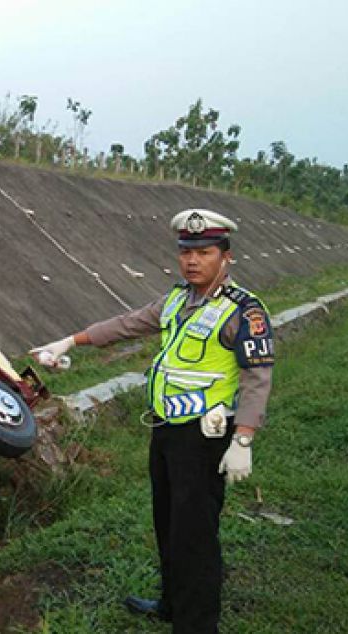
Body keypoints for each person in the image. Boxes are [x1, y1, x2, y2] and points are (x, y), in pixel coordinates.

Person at [31, 209, 274, 634]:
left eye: (203, 252)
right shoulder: (177, 300)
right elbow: (127, 325)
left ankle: (197, 625)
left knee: (195, 534)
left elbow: (257, 378)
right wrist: (71, 340)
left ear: (226, 257)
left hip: (204, 436)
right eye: (186, 252)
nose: (192, 260)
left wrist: (245, 440)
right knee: (168, 520)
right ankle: (172, 604)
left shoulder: (244, 312)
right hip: (165, 430)